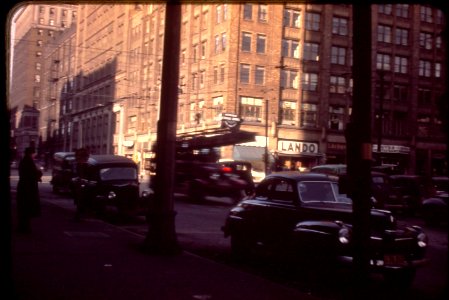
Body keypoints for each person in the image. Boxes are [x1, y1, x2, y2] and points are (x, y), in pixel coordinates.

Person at [16, 147, 42, 233]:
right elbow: (32, 174)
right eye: (34, 153)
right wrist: (39, 172)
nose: (35, 155)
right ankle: (24, 228)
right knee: (26, 208)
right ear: (31, 153)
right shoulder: (29, 162)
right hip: (28, 188)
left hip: (24, 187)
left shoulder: (24, 161)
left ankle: (23, 227)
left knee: (23, 209)